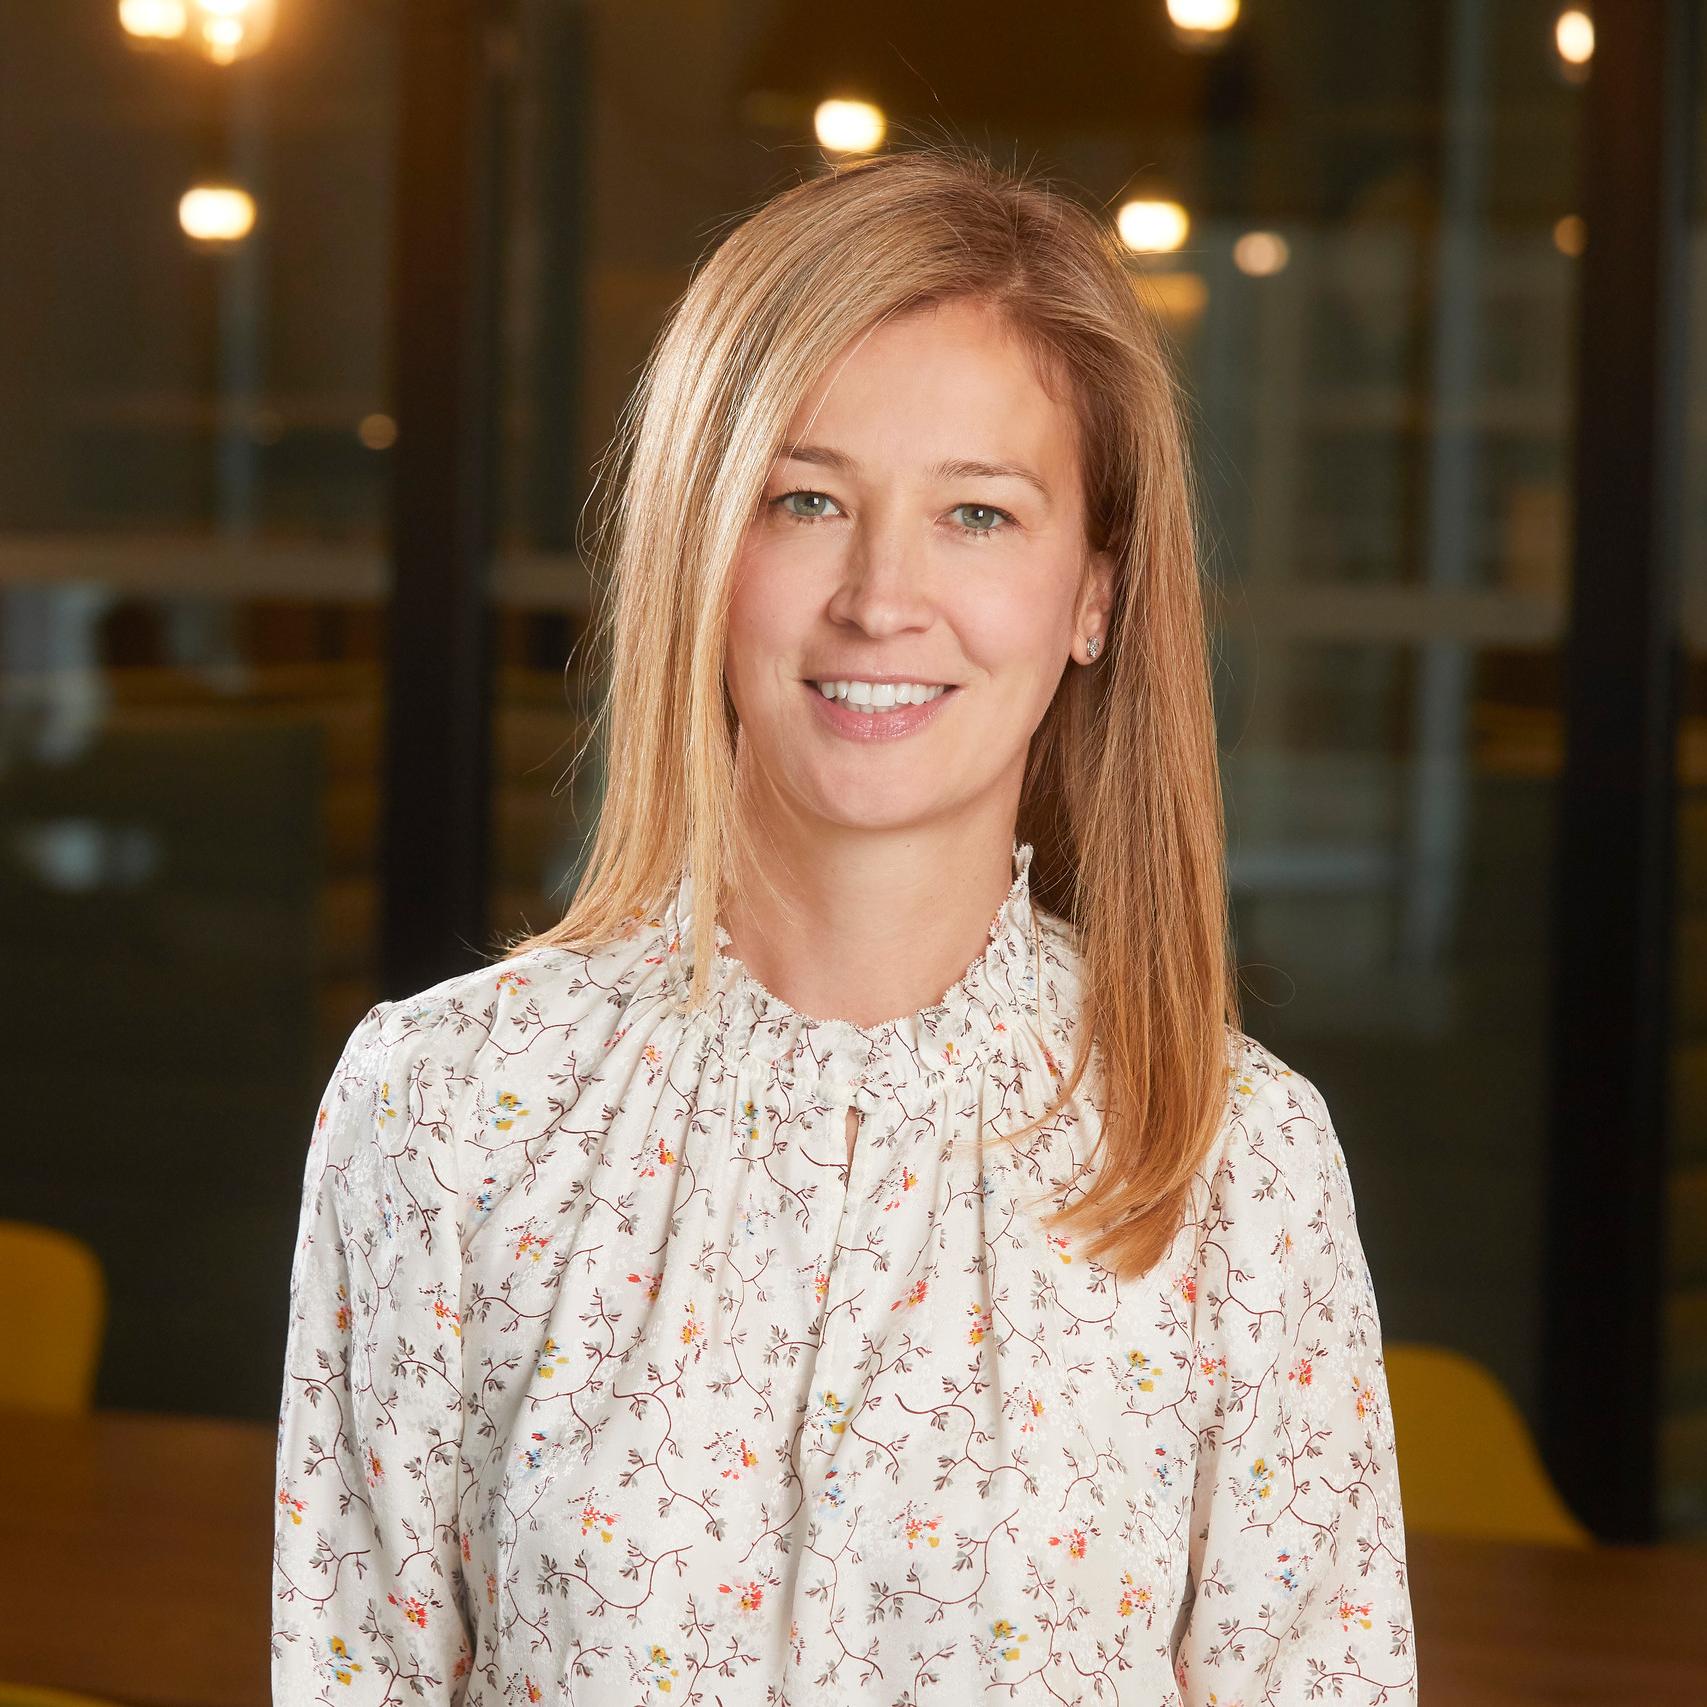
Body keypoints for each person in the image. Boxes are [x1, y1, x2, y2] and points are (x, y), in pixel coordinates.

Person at [271, 143, 1417, 1705]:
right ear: (698, 551)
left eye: (980, 516)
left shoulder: (1238, 1163)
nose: (883, 597)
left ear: (1095, 593)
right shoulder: (445, 1114)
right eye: (805, 500)